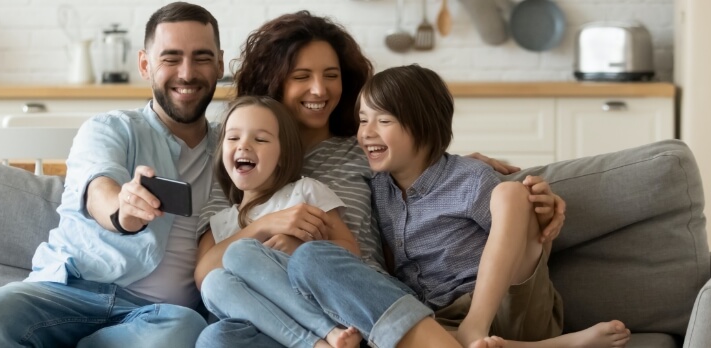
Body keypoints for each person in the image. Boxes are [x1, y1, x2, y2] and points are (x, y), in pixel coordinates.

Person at [194, 11, 563, 347]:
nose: (320, 90)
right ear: (273, 82)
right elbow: (207, 275)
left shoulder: (363, 151)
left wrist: (480, 175)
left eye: (332, 76)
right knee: (217, 339)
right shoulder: (237, 164)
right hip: (284, 311)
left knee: (313, 260)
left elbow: (419, 163)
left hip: (362, 302)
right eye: (302, 77)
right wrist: (268, 223)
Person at [0, 2, 224, 347]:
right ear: (145, 65)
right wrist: (123, 211)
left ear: (219, 64)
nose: (187, 73)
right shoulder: (110, 129)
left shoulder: (235, 148)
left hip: (152, 316)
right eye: (170, 58)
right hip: (68, 291)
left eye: (201, 58)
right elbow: (99, 189)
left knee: (186, 329)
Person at [286, 64, 632, 348]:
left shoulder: (470, 179)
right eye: (363, 120)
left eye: (384, 120)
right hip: (438, 320)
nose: (366, 132)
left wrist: (536, 208)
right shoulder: (378, 188)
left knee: (512, 195)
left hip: (506, 305)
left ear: (423, 127)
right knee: (330, 279)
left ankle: (478, 332)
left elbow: (526, 237)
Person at [198, 95, 364, 348]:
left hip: (313, 313)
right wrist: (264, 225)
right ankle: (316, 345)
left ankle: (327, 333)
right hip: (261, 330)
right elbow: (202, 278)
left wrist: (299, 249)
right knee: (214, 286)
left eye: (260, 139)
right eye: (233, 138)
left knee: (240, 254)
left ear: (283, 155)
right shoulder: (221, 222)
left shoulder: (303, 193)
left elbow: (351, 252)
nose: (243, 146)